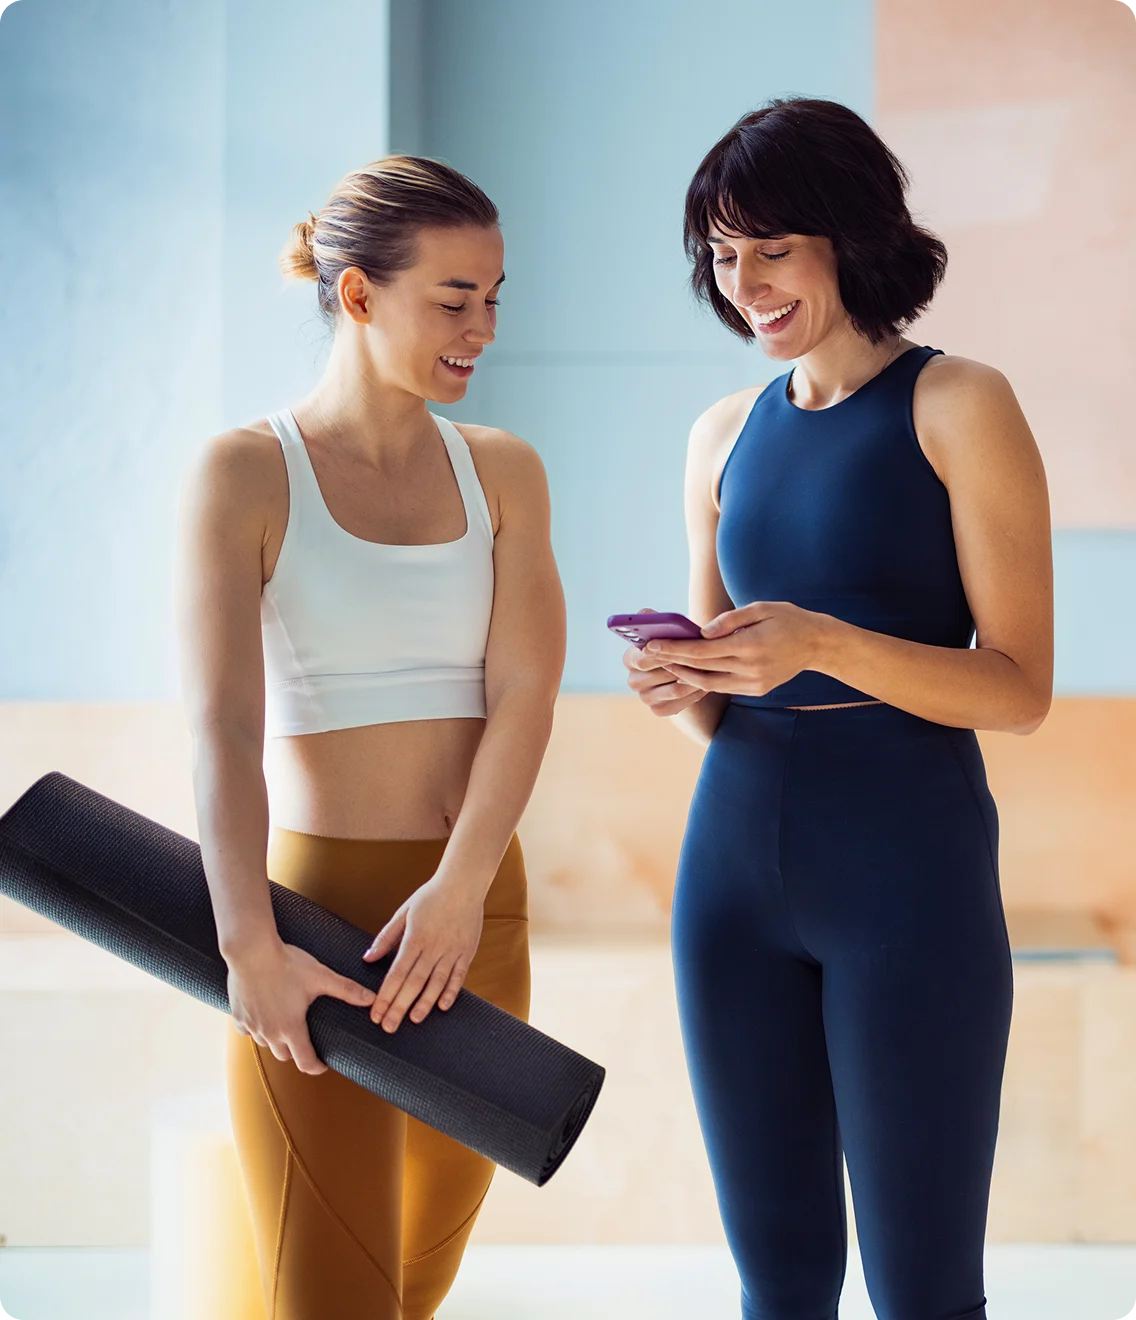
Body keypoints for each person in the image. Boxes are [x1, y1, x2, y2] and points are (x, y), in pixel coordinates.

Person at [624, 99, 1052, 1320]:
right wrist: (679, 683)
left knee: (921, 1288)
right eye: (719, 254)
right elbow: (721, 680)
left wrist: (821, 643)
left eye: (771, 249)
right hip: (729, 880)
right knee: (779, 1280)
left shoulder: (958, 403)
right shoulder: (719, 433)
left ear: (848, 239)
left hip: (905, 879)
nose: (742, 283)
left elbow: (1017, 687)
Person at [176, 155, 565, 1320]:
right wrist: (245, 940)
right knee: (329, 1295)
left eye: (494, 297)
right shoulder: (244, 471)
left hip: (476, 918)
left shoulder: (503, 470)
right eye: (454, 300)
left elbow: (527, 692)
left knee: (412, 1289)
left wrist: (461, 885)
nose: (482, 327)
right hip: (312, 927)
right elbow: (222, 724)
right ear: (357, 295)